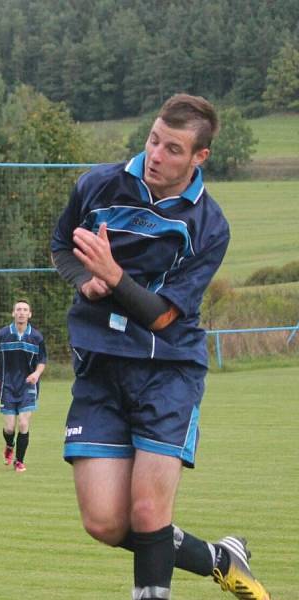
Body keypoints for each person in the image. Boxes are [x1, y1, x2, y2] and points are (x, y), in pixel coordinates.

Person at [50, 94, 270, 600]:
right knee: (104, 522)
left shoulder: (209, 226)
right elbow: (63, 244)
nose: (156, 155)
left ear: (200, 157)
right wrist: (85, 279)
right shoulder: (97, 185)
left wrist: (114, 276)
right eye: (153, 140)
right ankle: (219, 558)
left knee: (149, 512)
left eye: (173, 148)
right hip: (100, 365)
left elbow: (165, 315)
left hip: (167, 368)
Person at [0, 299, 46, 473]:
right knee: (9, 427)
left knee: (23, 423)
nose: (21, 312)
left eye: (25, 310)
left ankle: (19, 461)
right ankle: (9, 445)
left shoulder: (36, 337)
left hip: (28, 385)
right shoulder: (2, 335)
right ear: (13, 313)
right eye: (18, 309)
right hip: (7, 385)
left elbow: (42, 360)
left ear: (30, 314)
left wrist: (36, 374)